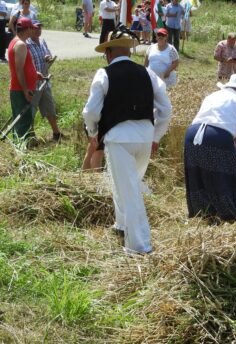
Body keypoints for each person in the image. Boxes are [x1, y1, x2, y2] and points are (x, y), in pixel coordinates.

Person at [83, 26, 172, 254]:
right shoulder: (149, 74)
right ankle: (121, 224)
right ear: (129, 52)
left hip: (118, 139)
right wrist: (156, 136)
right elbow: (166, 109)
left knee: (129, 190)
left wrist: (93, 132)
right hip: (144, 138)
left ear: (108, 53)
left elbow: (91, 111)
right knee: (123, 183)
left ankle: (139, 247)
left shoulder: (103, 74)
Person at [184, 74, 236, 222]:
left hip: (192, 134)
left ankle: (204, 214)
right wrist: (230, 150)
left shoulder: (212, 96)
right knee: (229, 177)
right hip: (217, 136)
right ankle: (234, 216)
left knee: (198, 175)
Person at [26, 20, 65, 142]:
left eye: (40, 28)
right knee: (31, 111)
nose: (38, 30)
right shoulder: (26, 44)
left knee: (49, 108)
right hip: (33, 84)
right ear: (30, 29)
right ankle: (31, 137)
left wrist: (47, 57)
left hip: (44, 82)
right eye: (36, 28)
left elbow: (47, 53)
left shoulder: (42, 41)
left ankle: (56, 133)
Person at [8, 17, 39, 140]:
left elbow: (24, 67)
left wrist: (35, 74)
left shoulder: (17, 42)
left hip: (21, 87)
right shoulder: (20, 44)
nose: (34, 31)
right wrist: (25, 90)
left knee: (22, 118)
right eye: (32, 28)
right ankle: (21, 150)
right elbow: (18, 69)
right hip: (20, 89)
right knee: (23, 120)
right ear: (27, 29)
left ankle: (22, 145)